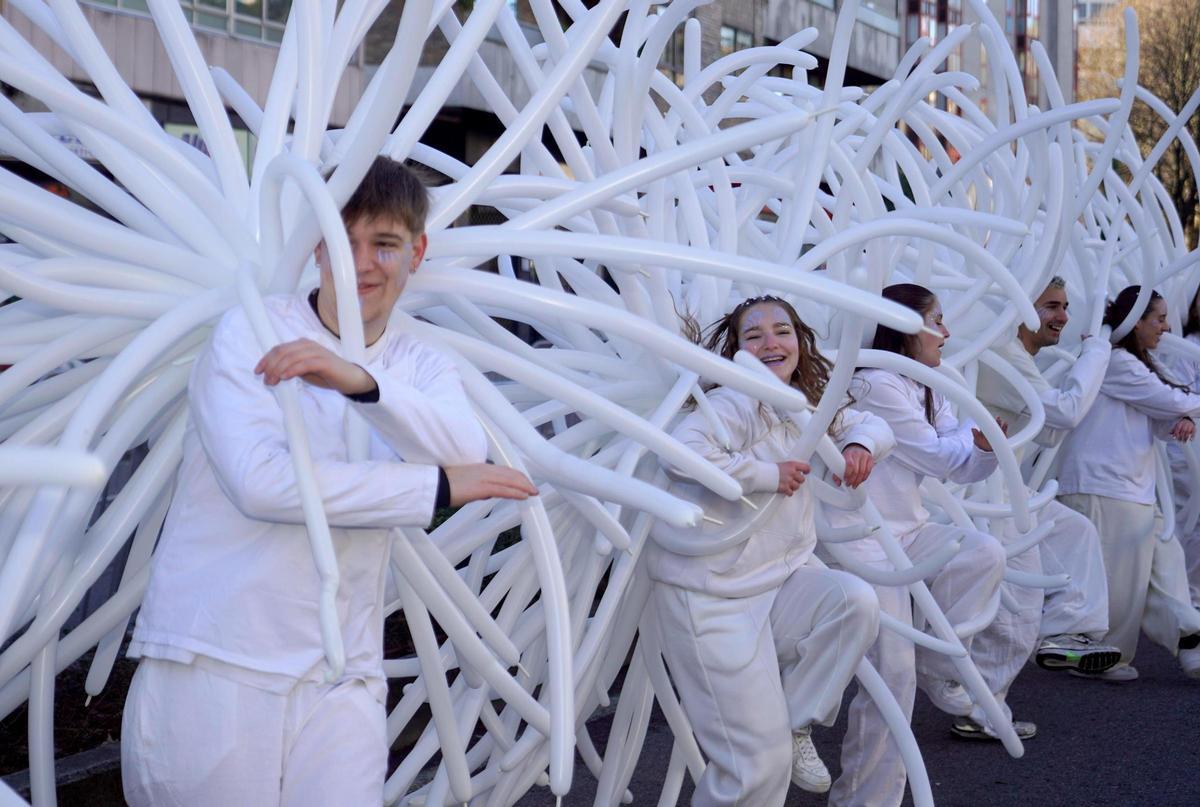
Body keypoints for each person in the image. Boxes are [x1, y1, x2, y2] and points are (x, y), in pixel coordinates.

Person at [121, 157, 538, 806]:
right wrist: (431, 490)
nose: (361, 263)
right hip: (216, 662)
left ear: (417, 253)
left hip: (344, 675)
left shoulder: (420, 364)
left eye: (385, 244)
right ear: (315, 245)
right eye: (343, 241)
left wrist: (361, 382)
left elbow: (463, 448)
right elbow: (262, 486)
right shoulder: (250, 331)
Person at [647, 295, 890, 805]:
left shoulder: (806, 403)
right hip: (710, 600)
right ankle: (779, 741)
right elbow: (681, 453)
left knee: (854, 601)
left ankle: (797, 722)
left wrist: (860, 445)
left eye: (782, 331)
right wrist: (765, 475)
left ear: (801, 341)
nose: (770, 343)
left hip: (776, 585)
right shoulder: (734, 401)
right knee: (754, 768)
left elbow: (871, 424)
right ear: (736, 350)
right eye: (753, 335)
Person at [826, 283, 1009, 807]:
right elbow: (938, 457)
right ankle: (864, 798)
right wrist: (967, 438)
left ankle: (937, 662)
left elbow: (960, 463)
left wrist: (978, 447)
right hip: (863, 541)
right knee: (892, 675)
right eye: (937, 320)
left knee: (983, 552)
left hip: (907, 531)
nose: (946, 332)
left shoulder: (926, 383)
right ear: (906, 328)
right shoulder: (876, 383)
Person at [955, 277, 1120, 737]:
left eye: (1065, 306)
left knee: (1075, 531)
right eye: (1050, 306)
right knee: (1017, 610)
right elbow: (1063, 412)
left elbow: (1046, 430)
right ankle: (981, 711)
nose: (1063, 316)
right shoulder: (1000, 351)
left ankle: (1065, 632)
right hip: (980, 496)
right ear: (1020, 309)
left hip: (1005, 492)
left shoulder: (1016, 355)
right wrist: (1096, 352)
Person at [1057, 285, 1200, 681]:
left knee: (1167, 568)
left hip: (1131, 484)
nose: (1166, 327)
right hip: (1103, 483)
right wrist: (1181, 411)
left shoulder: (1136, 362)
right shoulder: (1116, 361)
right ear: (1136, 322)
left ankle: (1191, 641)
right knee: (1117, 585)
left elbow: (1162, 411)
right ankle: (1100, 657)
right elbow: (1168, 400)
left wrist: (1180, 417)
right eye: (1159, 319)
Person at [1163, 286, 1200, 607]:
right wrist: (1188, 415)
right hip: (1187, 451)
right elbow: (1178, 395)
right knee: (1187, 523)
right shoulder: (1188, 347)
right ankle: (1185, 599)